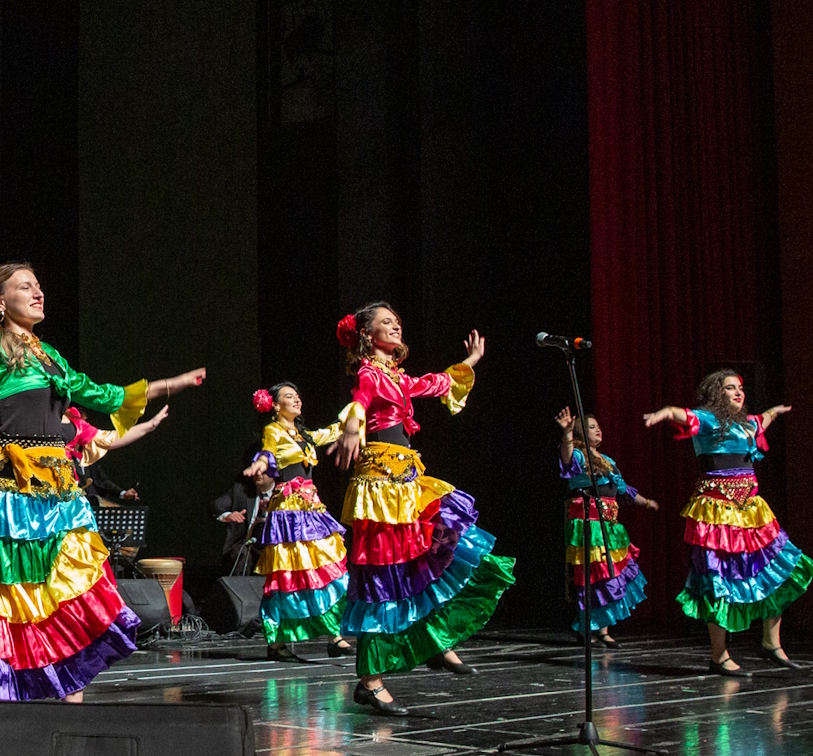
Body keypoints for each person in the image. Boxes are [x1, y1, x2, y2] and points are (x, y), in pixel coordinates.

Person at [0, 264, 205, 701]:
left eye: (38, 284)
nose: (38, 292)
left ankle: (67, 691)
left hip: (60, 486)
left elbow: (100, 393)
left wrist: (168, 384)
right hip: (11, 488)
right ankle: (17, 695)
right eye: (25, 286)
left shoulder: (50, 354)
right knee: (22, 596)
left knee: (74, 586)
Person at [328, 303, 515, 716]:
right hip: (379, 487)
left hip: (407, 480)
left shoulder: (396, 375)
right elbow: (359, 402)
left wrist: (471, 360)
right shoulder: (367, 372)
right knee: (381, 578)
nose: (395, 324)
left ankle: (435, 640)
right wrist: (353, 428)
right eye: (385, 322)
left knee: (436, 552)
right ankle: (370, 680)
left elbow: (435, 383)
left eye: (397, 320)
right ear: (366, 335)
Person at [645, 370, 813, 673]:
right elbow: (679, 413)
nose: (739, 393)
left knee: (779, 568)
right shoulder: (709, 420)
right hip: (716, 514)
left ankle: (771, 643)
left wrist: (775, 411)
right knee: (718, 580)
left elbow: (764, 418)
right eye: (730, 388)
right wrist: (662, 413)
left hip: (751, 512)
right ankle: (719, 656)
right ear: (716, 393)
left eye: (740, 388)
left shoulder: (747, 424)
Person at [247, 384, 352, 666]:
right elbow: (268, 453)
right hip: (289, 512)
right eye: (289, 397)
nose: (297, 400)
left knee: (329, 568)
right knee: (289, 576)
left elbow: (333, 431)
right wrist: (260, 462)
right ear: (276, 406)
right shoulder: (273, 431)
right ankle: (277, 641)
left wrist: (357, 410)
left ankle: (334, 635)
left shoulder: (303, 434)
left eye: (298, 396)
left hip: (312, 508)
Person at [556, 408, 656, 648]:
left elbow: (623, 489)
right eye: (592, 427)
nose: (598, 429)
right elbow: (566, 459)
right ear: (581, 433)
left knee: (612, 573)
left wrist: (646, 502)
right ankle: (586, 627)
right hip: (590, 522)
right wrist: (567, 434)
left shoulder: (607, 460)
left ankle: (603, 629)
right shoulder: (580, 456)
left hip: (610, 524)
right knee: (594, 575)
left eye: (598, 426)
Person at [212, 457, 273, 573]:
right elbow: (216, 506)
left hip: (274, 546)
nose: (259, 473)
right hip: (248, 545)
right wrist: (228, 515)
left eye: (263, 470)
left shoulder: (284, 494)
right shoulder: (241, 491)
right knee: (240, 554)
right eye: (256, 469)